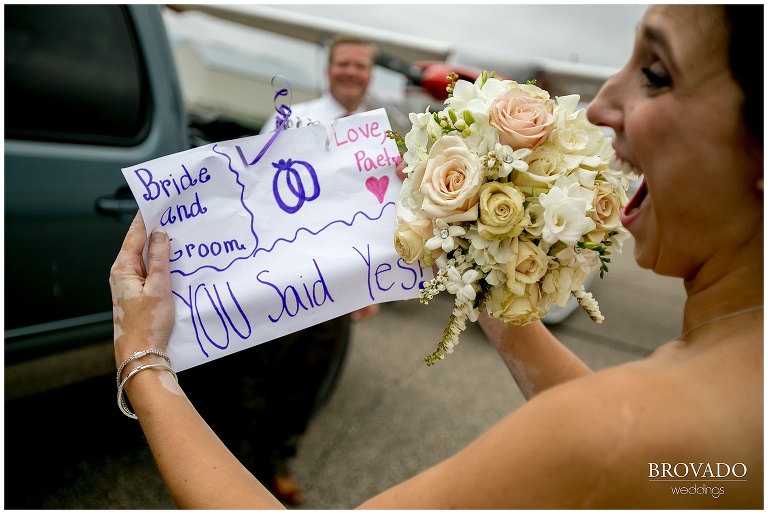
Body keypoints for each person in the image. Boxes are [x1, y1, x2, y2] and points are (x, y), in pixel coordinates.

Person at [109, 5, 762, 508]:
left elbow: (610, 438)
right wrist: (480, 277)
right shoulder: (717, 401)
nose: (598, 105)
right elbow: (630, 448)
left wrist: (144, 362)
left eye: (655, 73)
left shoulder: (622, 427)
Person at [181, 34, 382, 506]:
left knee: (305, 381)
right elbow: (259, 188)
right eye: (344, 64)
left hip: (340, 283)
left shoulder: (377, 133)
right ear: (328, 68)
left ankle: (275, 465)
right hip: (286, 276)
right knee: (255, 377)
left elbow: (375, 212)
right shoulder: (294, 119)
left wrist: (370, 284)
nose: (352, 72)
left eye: (361, 66)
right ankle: (230, 473)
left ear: (370, 73)